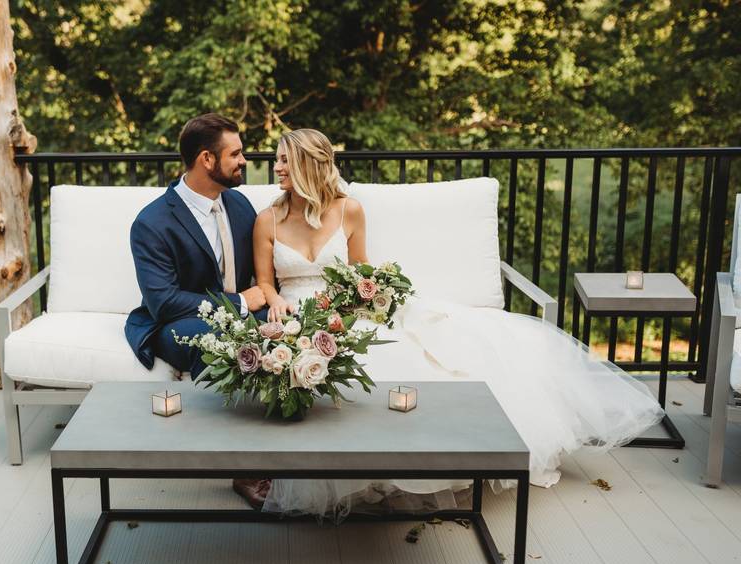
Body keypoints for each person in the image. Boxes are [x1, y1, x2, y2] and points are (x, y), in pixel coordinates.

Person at [252, 128, 665, 519]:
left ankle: (413, 467)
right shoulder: (267, 220)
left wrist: (358, 301)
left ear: (309, 164)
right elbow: (266, 283)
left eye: (285, 160)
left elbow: (361, 273)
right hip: (298, 318)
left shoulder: (349, 210)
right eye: (277, 160)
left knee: (411, 362)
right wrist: (274, 304)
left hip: (346, 311)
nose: (277, 168)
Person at [125, 113, 269, 506]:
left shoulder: (239, 206)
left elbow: (260, 276)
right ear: (207, 159)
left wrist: (263, 303)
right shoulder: (152, 223)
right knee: (219, 342)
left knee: (280, 334)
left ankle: (290, 444)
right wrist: (239, 303)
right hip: (175, 323)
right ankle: (244, 464)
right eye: (236, 153)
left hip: (240, 316)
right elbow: (164, 301)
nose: (244, 160)